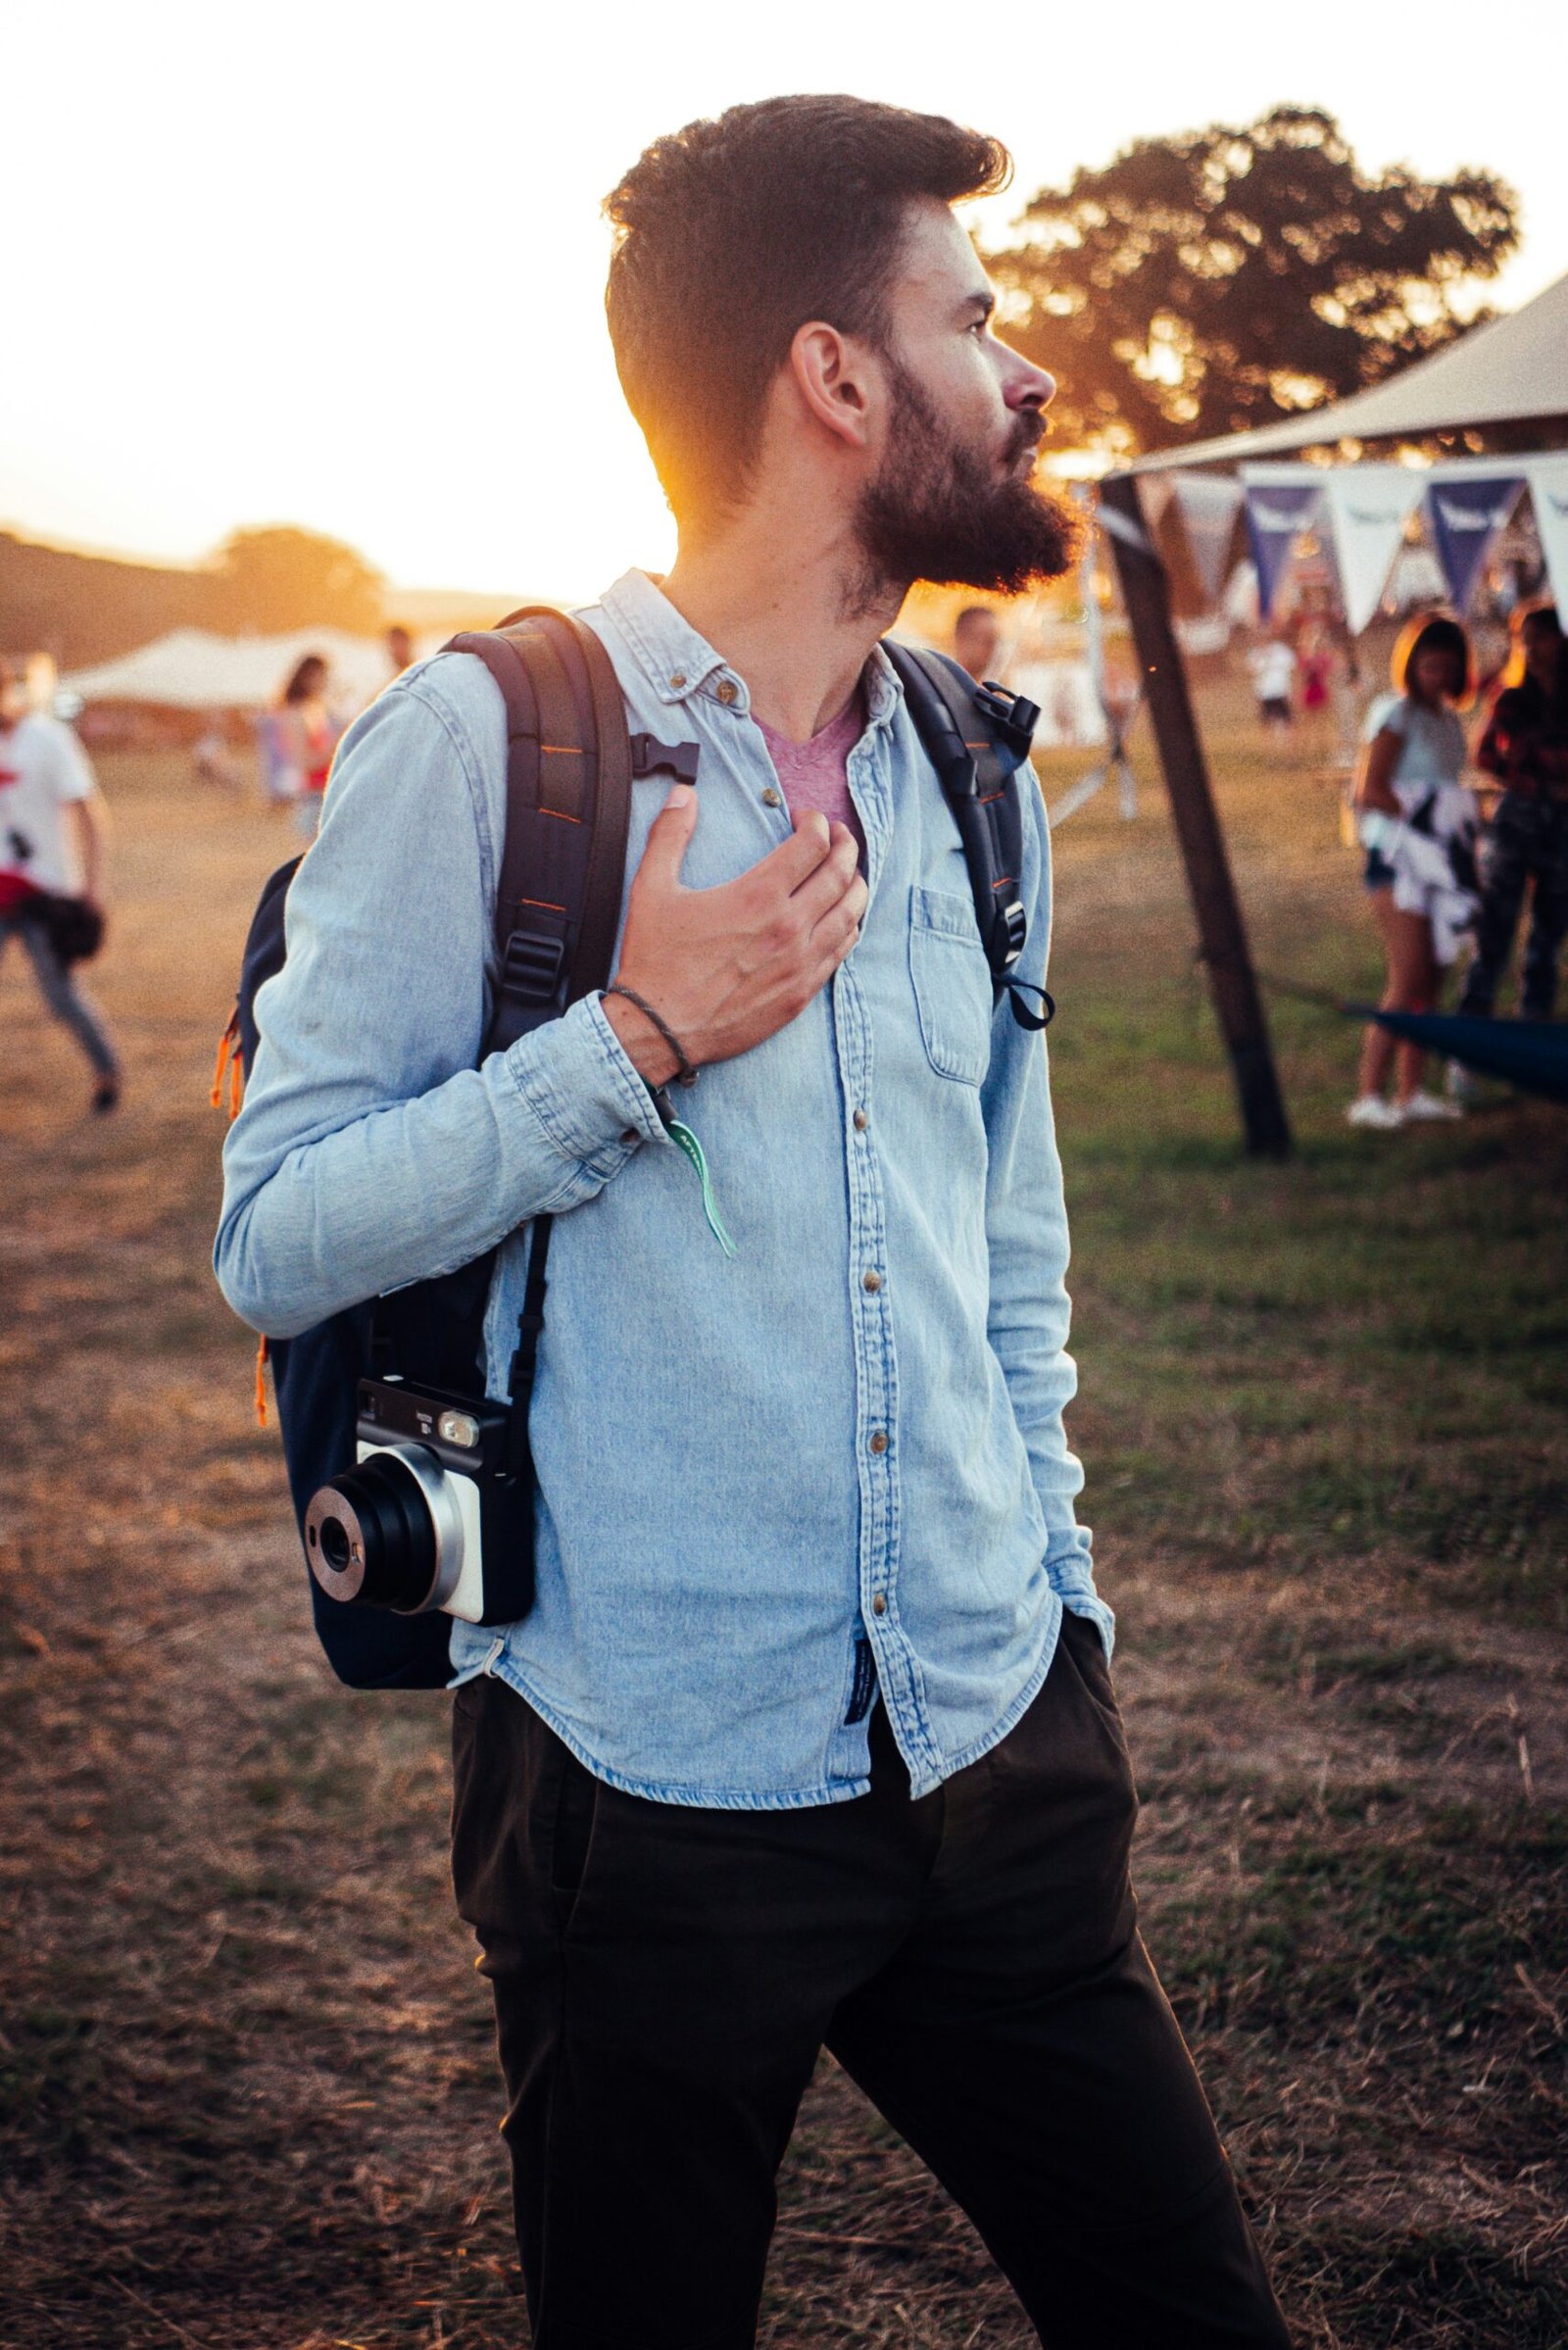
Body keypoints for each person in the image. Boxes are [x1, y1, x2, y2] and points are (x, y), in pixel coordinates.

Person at [216, 95, 1290, 2350]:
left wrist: (1060, 1607)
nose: (1023, 376)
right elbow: (277, 1232)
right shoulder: (481, 742)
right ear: (831, 379)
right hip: (643, 1787)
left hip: (999, 1746)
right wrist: (629, 1036)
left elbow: (1009, 1237)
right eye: (973, 320)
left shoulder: (962, 763)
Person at [1348, 614, 1479, 1129]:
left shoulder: (1449, 721)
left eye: (1449, 669)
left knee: (1432, 978)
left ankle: (1412, 1090)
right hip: (1401, 856)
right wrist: (1429, 818)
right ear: (1411, 665)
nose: (1439, 678)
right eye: (1430, 667)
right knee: (1405, 978)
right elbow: (1370, 790)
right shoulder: (1394, 714)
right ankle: (1367, 1094)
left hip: (1443, 859)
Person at [0, 657, 121, 1112]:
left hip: (45, 890)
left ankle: (107, 1073)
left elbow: (90, 813)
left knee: (61, 996)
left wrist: (91, 885)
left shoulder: (48, 738)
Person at [1456, 603, 1568, 1023]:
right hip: (1518, 822)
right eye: (1526, 640)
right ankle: (1471, 1036)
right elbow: (1484, 754)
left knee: (1548, 935)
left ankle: (1533, 1028)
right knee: (1494, 930)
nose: (1533, 648)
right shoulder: (1512, 696)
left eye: (1541, 637)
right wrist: (1536, 784)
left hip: (1562, 828)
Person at [272, 653, 343, 838]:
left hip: (325, 796)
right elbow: (303, 763)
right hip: (312, 800)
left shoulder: (315, 709)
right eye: (323, 676)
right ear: (308, 677)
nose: (326, 682)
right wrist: (336, 748)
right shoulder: (295, 713)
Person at [1249, 629, 1296, 730]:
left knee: (1286, 719)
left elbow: (1292, 666)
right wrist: (1262, 657)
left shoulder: (1281, 650)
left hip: (1281, 689)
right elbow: (1251, 671)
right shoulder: (1254, 653)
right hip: (1265, 691)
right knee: (1268, 720)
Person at [952, 601, 1001, 681]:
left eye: (994, 641)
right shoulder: (939, 683)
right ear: (962, 639)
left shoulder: (993, 688)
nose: (992, 649)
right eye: (987, 640)